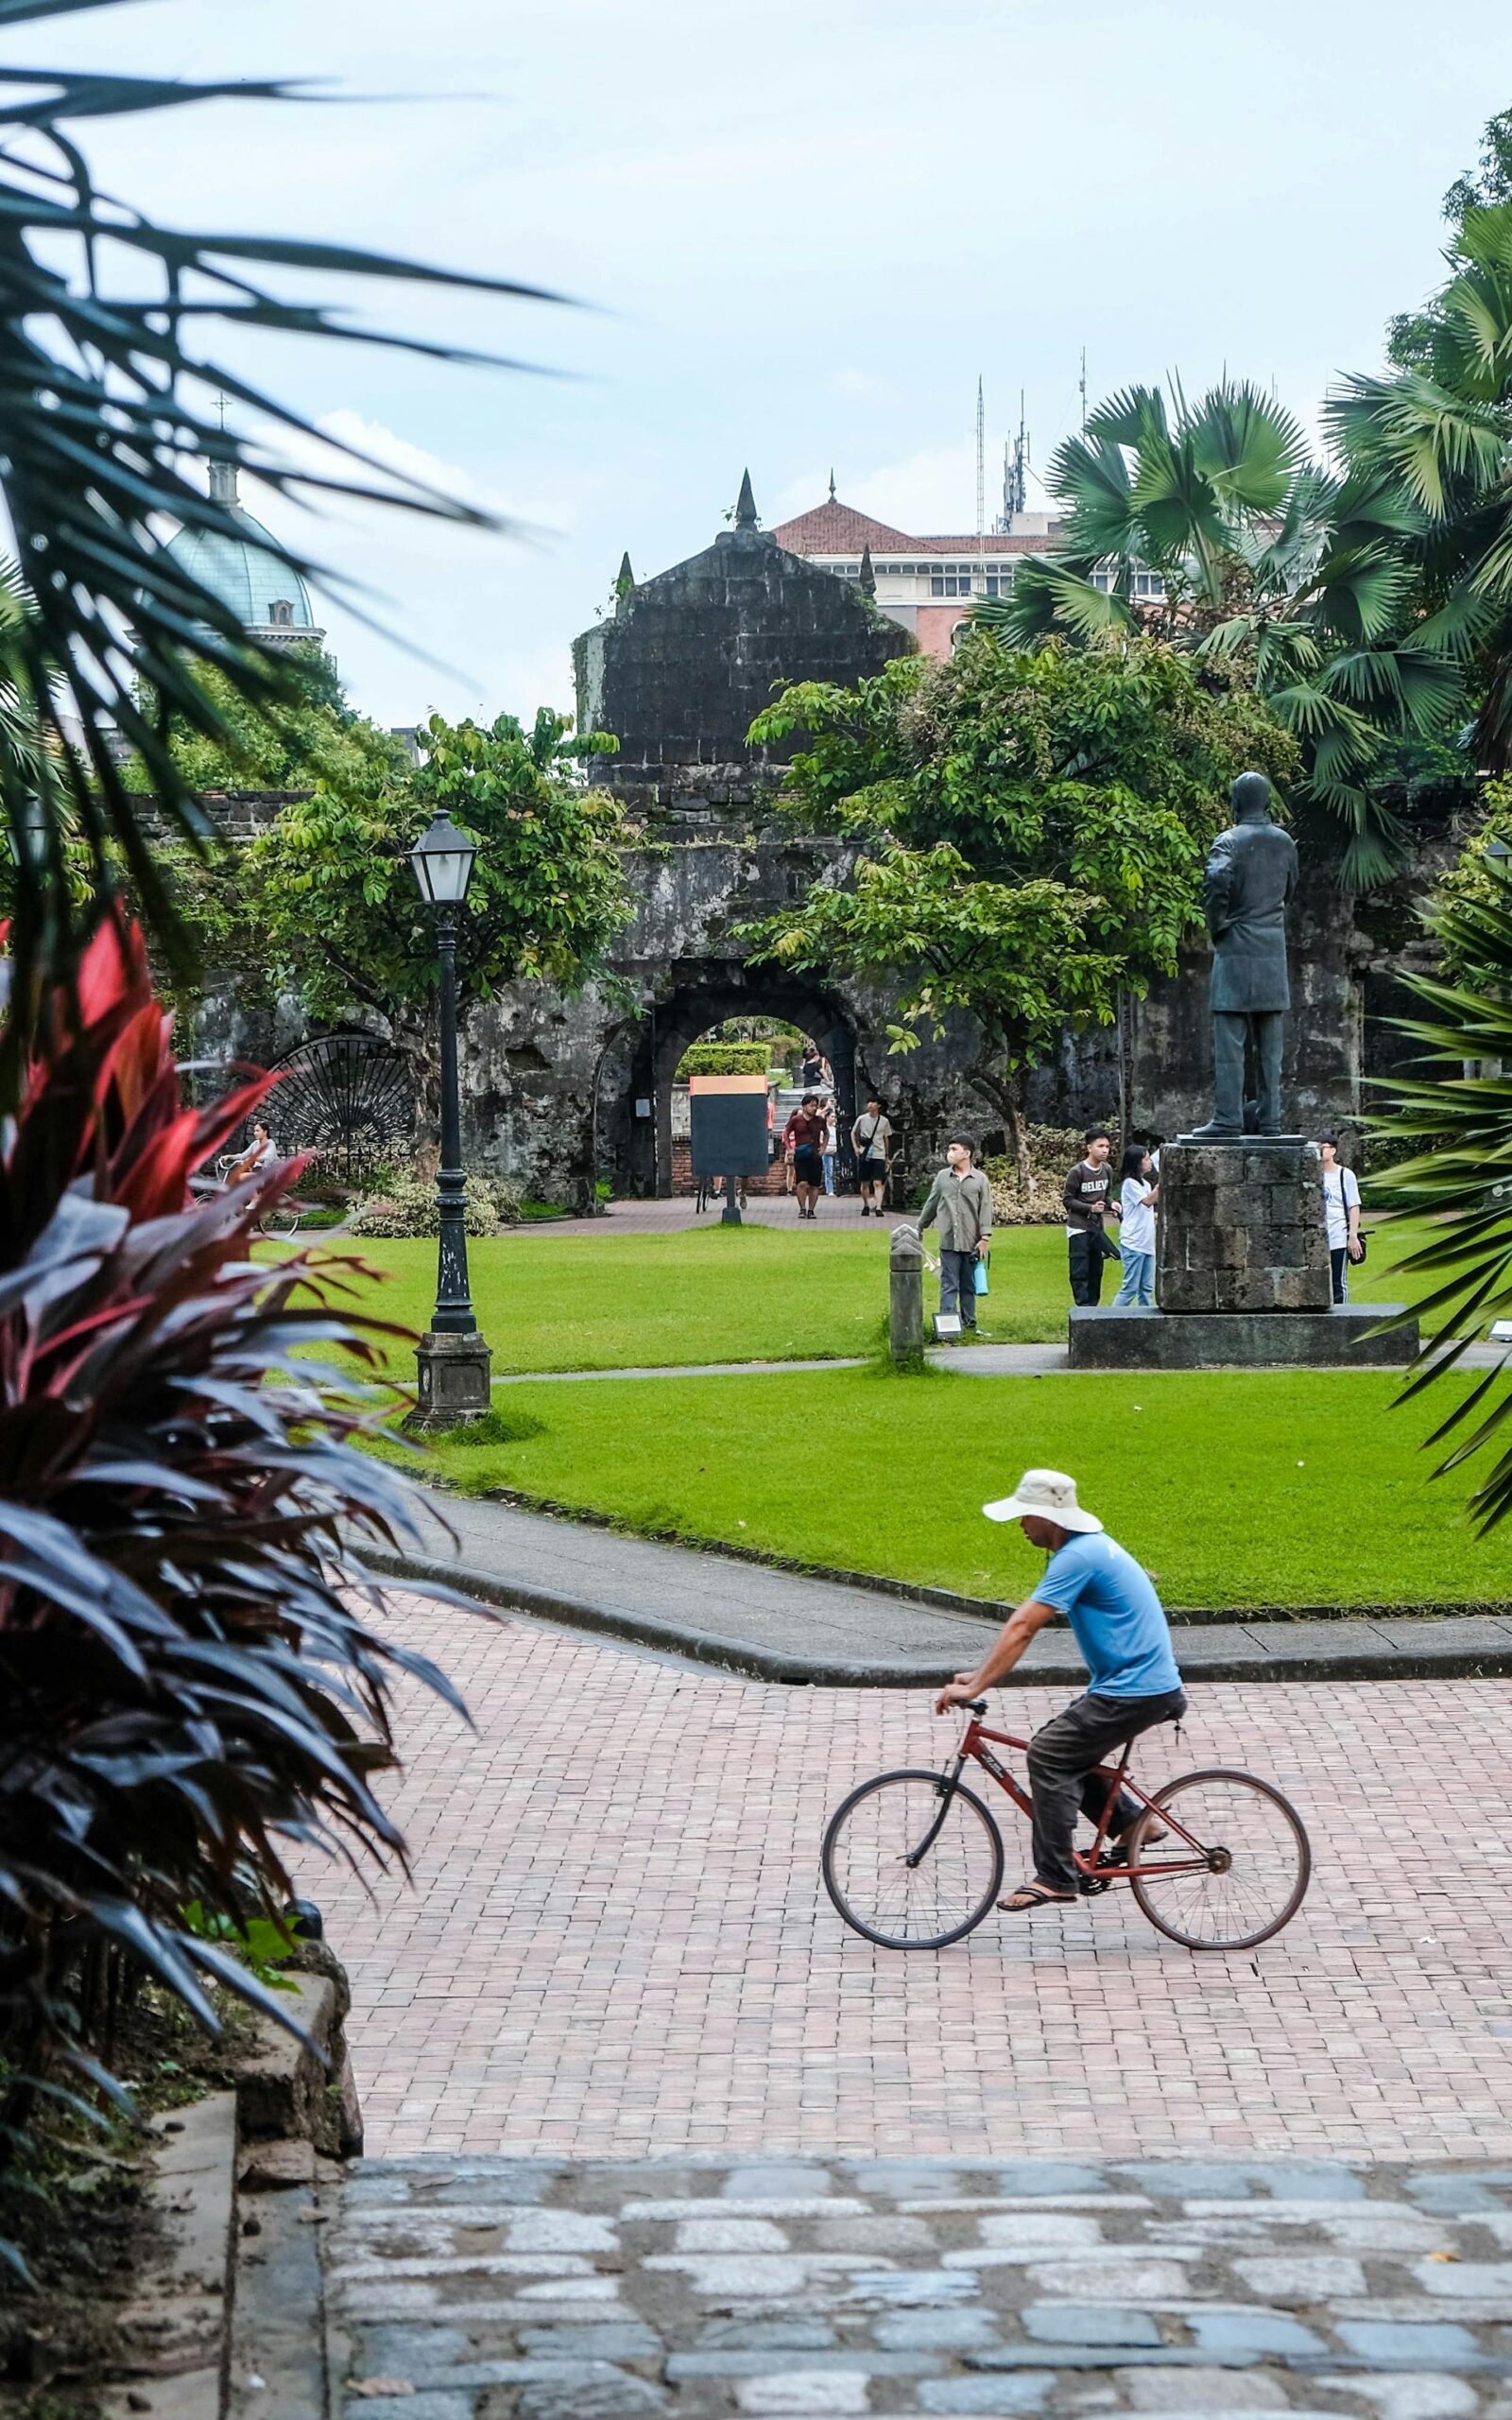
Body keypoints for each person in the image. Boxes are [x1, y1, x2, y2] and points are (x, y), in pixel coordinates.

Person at [935, 1468, 1186, 1912]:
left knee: (1049, 1754)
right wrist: (976, 1675)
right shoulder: (1081, 1550)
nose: (1020, 1526)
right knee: (1064, 1748)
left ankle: (1055, 1877)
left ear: (1049, 1518)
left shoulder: (1078, 1556)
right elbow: (1023, 1626)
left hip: (1137, 1689)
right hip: (1132, 1685)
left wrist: (977, 1683)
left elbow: (1022, 1626)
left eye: (1025, 1517)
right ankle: (1133, 1826)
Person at [917, 1136, 992, 1335]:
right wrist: (920, 1226)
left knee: (969, 1285)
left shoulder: (980, 1180)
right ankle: (947, 1327)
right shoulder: (942, 1177)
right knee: (949, 1284)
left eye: (954, 1149)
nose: (949, 1152)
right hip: (949, 1240)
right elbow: (932, 1204)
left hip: (972, 1242)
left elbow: (985, 1209)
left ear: (966, 1154)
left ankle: (969, 1325)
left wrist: (984, 1238)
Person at [1064, 1128, 1115, 1306]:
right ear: (1089, 1148)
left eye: (1107, 1146)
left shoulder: (1107, 1170)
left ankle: (1093, 1309)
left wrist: (1112, 1204)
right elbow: (1068, 1200)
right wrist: (1090, 1207)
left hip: (1096, 1228)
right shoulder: (1077, 1172)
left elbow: (1106, 1195)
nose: (1105, 1150)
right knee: (1080, 1270)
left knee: (1096, 1271)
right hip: (1078, 1227)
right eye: (1100, 1146)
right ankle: (1082, 1309)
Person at [1110, 1143, 1157, 1308]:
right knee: (1130, 1288)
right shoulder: (1130, 1184)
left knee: (1146, 1289)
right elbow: (1147, 1201)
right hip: (1133, 1243)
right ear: (1137, 1163)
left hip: (1147, 1244)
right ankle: (1111, 1320)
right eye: (1146, 1158)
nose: (1150, 1161)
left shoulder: (1146, 1184)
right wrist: (1164, 1182)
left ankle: (1146, 1322)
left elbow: (1147, 1210)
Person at [1318, 1133, 1363, 1302]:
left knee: (1338, 1283)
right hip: (1316, 1238)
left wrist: (1352, 1236)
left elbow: (1354, 1206)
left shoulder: (1345, 1175)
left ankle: (1342, 1319)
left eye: (1323, 1148)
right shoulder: (1311, 1174)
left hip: (1338, 1235)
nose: (1320, 1151)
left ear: (1333, 1150)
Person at [783, 1092, 828, 1219]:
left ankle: (811, 1210)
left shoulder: (819, 1120)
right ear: (804, 1106)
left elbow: (826, 1133)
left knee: (814, 1184)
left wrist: (823, 1147)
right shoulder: (796, 1120)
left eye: (815, 1106)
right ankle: (802, 1208)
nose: (814, 1108)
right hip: (801, 1154)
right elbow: (786, 1133)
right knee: (801, 1183)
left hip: (815, 1154)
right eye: (811, 1105)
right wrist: (789, 1148)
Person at [851, 1094, 892, 1218]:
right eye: (869, 1102)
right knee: (865, 1182)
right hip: (865, 1153)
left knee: (878, 1182)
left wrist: (886, 1155)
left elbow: (886, 1138)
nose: (870, 1105)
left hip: (878, 1154)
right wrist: (855, 1147)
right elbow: (853, 1133)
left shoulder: (884, 1121)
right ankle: (866, 1205)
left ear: (878, 1105)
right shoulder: (862, 1119)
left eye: (873, 1102)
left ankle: (878, 1207)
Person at [227, 1119, 278, 1184]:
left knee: (242, 1177)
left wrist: (253, 1159)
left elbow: (268, 1158)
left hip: (268, 1173)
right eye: (254, 1131)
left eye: (257, 1131)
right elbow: (243, 1155)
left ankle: (256, 1194)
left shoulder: (270, 1143)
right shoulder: (255, 1143)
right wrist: (229, 1156)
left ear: (265, 1132)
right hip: (256, 1171)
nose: (255, 1133)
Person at [820, 1096, 837, 1197]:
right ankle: (830, 1190)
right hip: (828, 1150)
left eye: (835, 1117)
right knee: (829, 1171)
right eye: (832, 1117)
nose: (834, 1119)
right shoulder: (824, 1128)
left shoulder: (835, 1128)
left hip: (835, 1148)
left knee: (836, 1170)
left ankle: (836, 1188)